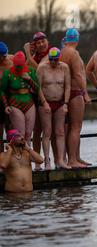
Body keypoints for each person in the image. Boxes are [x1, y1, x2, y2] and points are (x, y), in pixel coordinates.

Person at [60, 28, 92, 169]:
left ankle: (76, 157)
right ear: (77, 39)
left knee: (70, 128)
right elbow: (79, 75)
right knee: (76, 127)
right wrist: (85, 93)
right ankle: (72, 160)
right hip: (74, 92)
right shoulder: (74, 53)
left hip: (63, 93)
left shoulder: (62, 52)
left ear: (67, 39)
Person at [36, 48, 71, 170]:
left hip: (60, 103)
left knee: (60, 132)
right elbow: (38, 87)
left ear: (59, 58)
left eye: (56, 60)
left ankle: (60, 160)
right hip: (45, 103)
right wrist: (44, 103)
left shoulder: (64, 67)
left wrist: (66, 103)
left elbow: (67, 86)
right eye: (51, 60)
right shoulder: (42, 68)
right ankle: (47, 161)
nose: (54, 62)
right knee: (47, 133)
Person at [1, 52, 43, 145]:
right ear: (14, 63)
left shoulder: (30, 71)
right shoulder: (8, 73)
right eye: (17, 65)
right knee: (21, 135)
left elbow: (37, 88)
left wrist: (29, 79)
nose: (18, 68)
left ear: (24, 63)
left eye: (21, 65)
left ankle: (27, 158)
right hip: (15, 104)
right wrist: (6, 106)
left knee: (28, 134)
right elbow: (2, 91)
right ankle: (20, 158)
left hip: (29, 103)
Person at [24, 32, 50, 169]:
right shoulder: (34, 57)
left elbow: (39, 68)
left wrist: (28, 54)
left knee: (49, 131)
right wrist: (29, 55)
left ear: (47, 41)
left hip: (48, 97)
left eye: (43, 41)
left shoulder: (51, 54)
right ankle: (37, 162)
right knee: (37, 129)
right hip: (34, 96)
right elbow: (25, 67)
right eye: (38, 43)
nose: (41, 45)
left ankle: (49, 160)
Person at [0, 41, 13, 152]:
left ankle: (12, 160)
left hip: (11, 100)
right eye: (2, 57)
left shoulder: (11, 61)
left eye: (5, 55)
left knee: (11, 131)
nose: (4, 58)